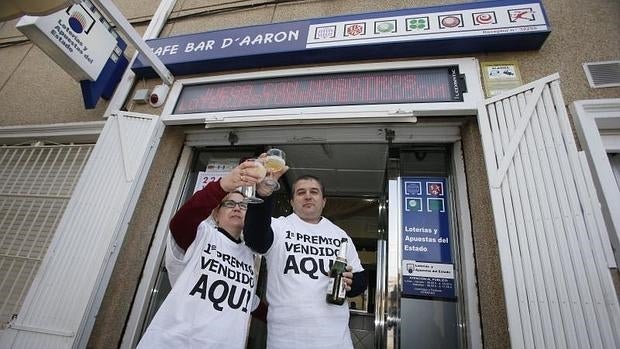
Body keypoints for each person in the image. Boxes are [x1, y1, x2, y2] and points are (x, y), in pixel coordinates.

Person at [137, 161, 270, 349]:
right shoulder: (202, 235)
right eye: (229, 203)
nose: (237, 208)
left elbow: (252, 304)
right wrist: (223, 185)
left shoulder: (249, 255)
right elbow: (180, 223)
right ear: (216, 214)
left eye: (243, 205)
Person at [245, 174, 368, 349]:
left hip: (336, 341)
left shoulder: (340, 235)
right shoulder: (279, 227)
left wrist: (351, 282)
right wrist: (264, 195)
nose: (308, 196)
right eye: (301, 192)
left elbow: (360, 279)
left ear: (324, 201)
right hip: (286, 341)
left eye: (314, 192)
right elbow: (254, 239)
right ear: (292, 202)